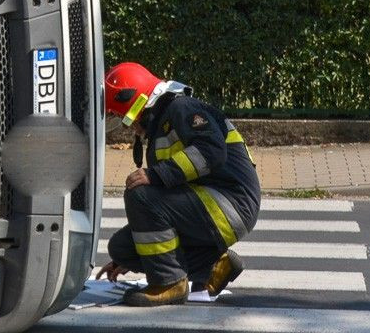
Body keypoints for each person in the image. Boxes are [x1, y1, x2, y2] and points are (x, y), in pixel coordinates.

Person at [95, 62, 260, 306]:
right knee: (123, 248)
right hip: (210, 204)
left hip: (228, 205)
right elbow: (162, 207)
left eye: (123, 117)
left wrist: (157, 175)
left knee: (139, 192)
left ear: (136, 104)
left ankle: (169, 283)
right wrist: (138, 250)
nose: (127, 125)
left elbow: (211, 151)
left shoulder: (181, 109)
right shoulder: (163, 122)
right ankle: (214, 265)